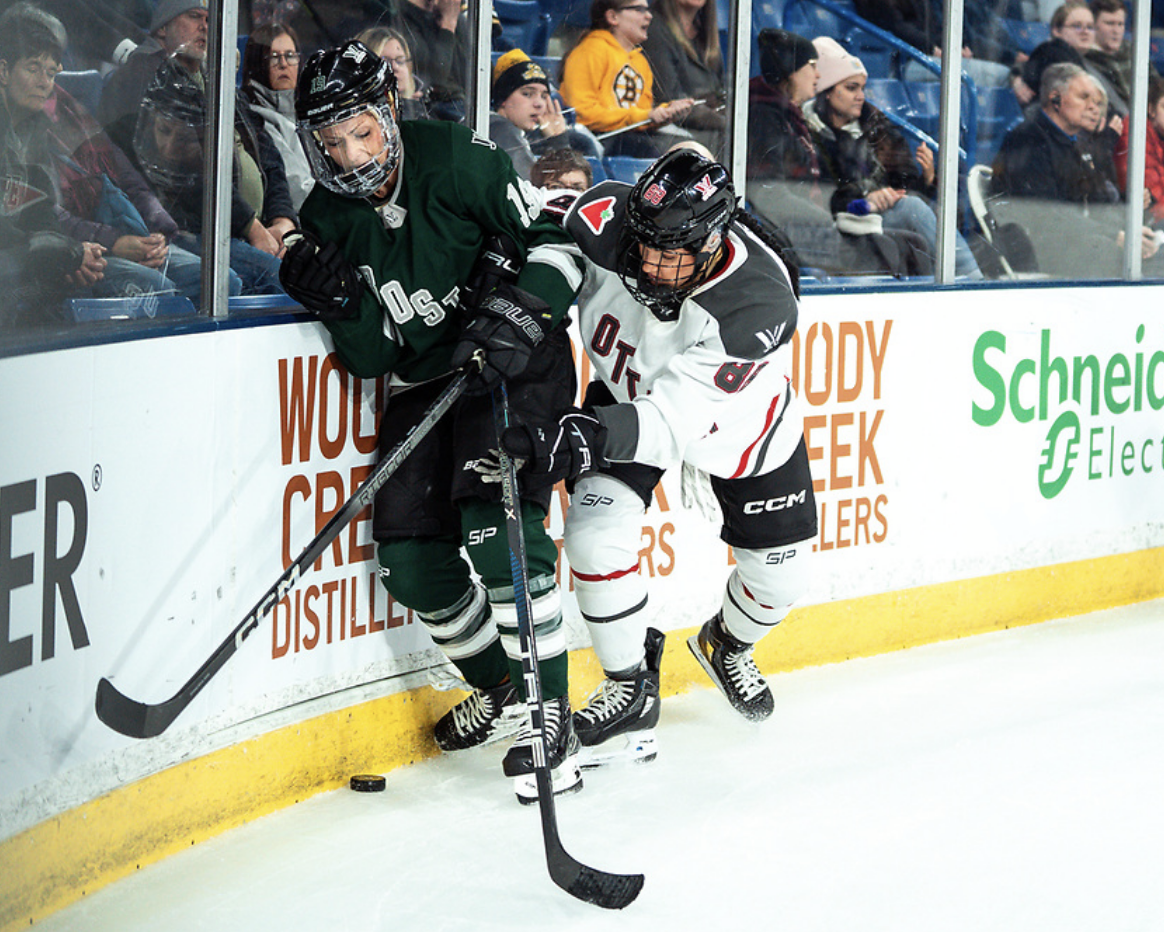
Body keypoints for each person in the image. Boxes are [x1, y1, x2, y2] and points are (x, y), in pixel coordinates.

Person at [278, 40, 586, 802]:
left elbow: (559, 246)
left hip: (514, 358)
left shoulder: (453, 158)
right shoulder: (326, 219)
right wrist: (342, 305)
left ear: (389, 112)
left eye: (362, 133)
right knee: (410, 564)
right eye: (330, 142)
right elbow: (374, 357)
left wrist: (521, 309)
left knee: (495, 529)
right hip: (427, 379)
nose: (351, 157)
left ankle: (551, 711)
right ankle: (503, 686)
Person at [498, 148, 818, 761]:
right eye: (644, 245)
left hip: (738, 425)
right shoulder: (607, 218)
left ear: (713, 241)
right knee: (593, 542)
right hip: (625, 398)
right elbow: (537, 220)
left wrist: (578, 438)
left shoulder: (756, 305)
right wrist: (522, 300)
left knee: (780, 578)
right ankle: (631, 686)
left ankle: (727, 644)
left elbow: (669, 423)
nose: (649, 265)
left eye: (671, 255)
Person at [1, 3, 209, 317]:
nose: (44, 82)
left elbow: (44, 209)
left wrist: (157, 231)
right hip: (40, 260)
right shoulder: (27, 125)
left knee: (213, 279)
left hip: (78, 246)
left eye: (51, 71)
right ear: (4, 70)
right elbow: (22, 224)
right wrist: (75, 253)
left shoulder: (44, 121)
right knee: (158, 291)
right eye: (33, 68)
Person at [802, 37, 983, 278]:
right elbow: (823, 199)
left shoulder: (877, 127)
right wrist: (867, 200)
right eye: (851, 88)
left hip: (882, 213)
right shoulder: (809, 133)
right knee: (913, 208)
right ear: (826, 92)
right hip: (848, 219)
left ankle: (965, 277)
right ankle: (971, 279)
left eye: (862, 88)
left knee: (935, 205)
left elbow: (905, 185)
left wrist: (927, 178)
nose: (860, 96)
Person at [133, 60, 291, 295]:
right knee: (279, 278)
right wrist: (252, 228)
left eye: (183, 139)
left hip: (253, 229)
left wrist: (283, 220)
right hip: (197, 231)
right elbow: (191, 178)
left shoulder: (229, 91)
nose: (169, 147)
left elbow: (269, 160)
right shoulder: (161, 85)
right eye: (164, 131)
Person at [992, 62, 1162, 277]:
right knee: (1136, 259)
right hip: (1042, 250)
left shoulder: (1074, 144)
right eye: (1084, 97)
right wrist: (1115, 236)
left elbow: (1097, 204)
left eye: (1097, 102)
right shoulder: (1028, 139)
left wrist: (1128, 220)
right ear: (1056, 99)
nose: (1094, 107)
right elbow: (1045, 215)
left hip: (1077, 239)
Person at [559, 0, 694, 159]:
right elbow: (581, 112)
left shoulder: (640, 61)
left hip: (632, 137)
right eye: (639, 9)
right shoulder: (589, 51)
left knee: (687, 146)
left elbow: (642, 114)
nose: (649, 16)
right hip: (599, 138)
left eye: (648, 10)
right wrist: (645, 116)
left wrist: (666, 111)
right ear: (612, 17)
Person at [853, 0, 1018, 88]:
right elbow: (897, 27)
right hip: (905, 61)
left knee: (1000, 73)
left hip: (931, 54)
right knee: (1000, 75)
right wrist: (932, 49)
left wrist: (955, 48)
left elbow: (936, 27)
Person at [240, 23, 314, 211]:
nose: (283, 64)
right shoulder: (257, 119)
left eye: (290, 56)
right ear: (258, 63)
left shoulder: (311, 111)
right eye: (274, 57)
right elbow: (298, 189)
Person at [640, 0, 726, 157]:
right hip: (674, 139)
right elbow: (667, 101)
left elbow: (721, 92)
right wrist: (727, 121)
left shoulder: (705, 36)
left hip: (710, 135)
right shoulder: (654, 29)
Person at [489, 49, 580, 182]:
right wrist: (559, 142)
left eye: (544, 96)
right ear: (503, 100)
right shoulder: (500, 128)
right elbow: (534, 188)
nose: (539, 104)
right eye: (527, 94)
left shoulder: (519, 133)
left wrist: (557, 140)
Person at [396, 0, 468, 121]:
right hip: (433, 107)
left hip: (463, 104)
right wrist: (448, 25)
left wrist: (453, 21)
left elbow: (479, 75)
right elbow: (436, 78)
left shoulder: (451, 14)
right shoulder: (400, 18)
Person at [1016, 2, 1093, 106]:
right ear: (1057, 30)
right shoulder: (1053, 54)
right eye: (1077, 26)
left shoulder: (1087, 59)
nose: (1085, 32)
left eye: (1090, 27)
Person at [1114, 75, 1164, 231]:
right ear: (1151, 109)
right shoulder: (1135, 131)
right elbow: (1145, 190)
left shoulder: (1159, 136)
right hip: (1142, 222)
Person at [355, 25, 430, 121]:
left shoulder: (425, 106)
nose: (395, 67)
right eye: (385, 62)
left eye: (400, 61)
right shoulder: (360, 118)